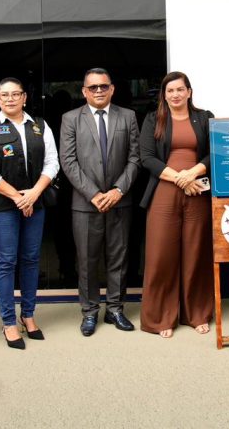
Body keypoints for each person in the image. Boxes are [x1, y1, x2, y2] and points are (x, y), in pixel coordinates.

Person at [0, 77, 59, 349]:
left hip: (36, 200)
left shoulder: (40, 127)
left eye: (15, 94)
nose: (10, 99)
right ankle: (9, 322)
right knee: (7, 261)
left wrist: (34, 193)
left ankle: (29, 315)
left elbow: (52, 163)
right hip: (3, 207)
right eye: (4, 95)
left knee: (31, 260)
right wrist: (18, 197)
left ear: (25, 97)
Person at [60, 68, 140, 336]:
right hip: (85, 203)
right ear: (84, 91)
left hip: (120, 200)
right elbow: (68, 161)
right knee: (87, 260)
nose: (98, 91)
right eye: (92, 87)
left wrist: (118, 190)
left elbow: (134, 158)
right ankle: (90, 312)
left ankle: (115, 309)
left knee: (118, 257)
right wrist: (93, 194)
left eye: (103, 86)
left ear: (112, 88)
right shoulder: (70, 119)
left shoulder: (127, 117)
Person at [139, 71, 214, 338]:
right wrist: (181, 179)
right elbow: (146, 157)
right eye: (170, 91)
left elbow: (214, 151)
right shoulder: (153, 119)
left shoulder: (205, 118)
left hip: (198, 191)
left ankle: (196, 313)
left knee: (196, 253)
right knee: (162, 255)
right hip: (164, 191)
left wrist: (193, 173)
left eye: (180, 89)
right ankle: (161, 317)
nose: (175, 95)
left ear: (189, 92)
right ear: (164, 94)